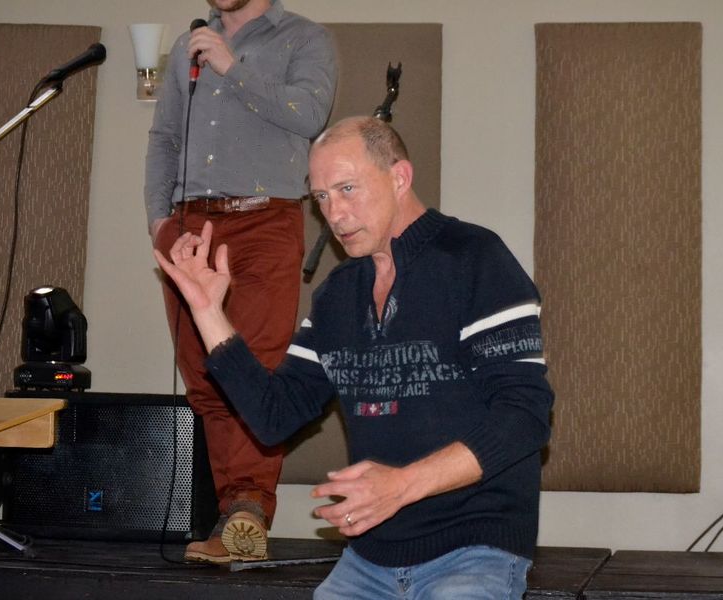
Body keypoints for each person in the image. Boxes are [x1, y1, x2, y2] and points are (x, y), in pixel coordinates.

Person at [155, 116, 553, 598]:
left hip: (474, 551)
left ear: (399, 177)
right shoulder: (338, 295)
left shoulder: (475, 258)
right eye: (321, 197)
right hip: (370, 560)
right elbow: (274, 416)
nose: (334, 214)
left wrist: (402, 485)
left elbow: (525, 417)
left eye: (347, 189)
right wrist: (207, 312)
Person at [144, 0, 337, 563]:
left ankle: (248, 508)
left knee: (254, 368)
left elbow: (310, 115)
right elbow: (164, 138)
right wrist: (158, 221)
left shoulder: (305, 38)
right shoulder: (187, 45)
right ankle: (231, 516)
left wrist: (232, 67)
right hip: (188, 223)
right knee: (203, 375)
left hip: (264, 219)